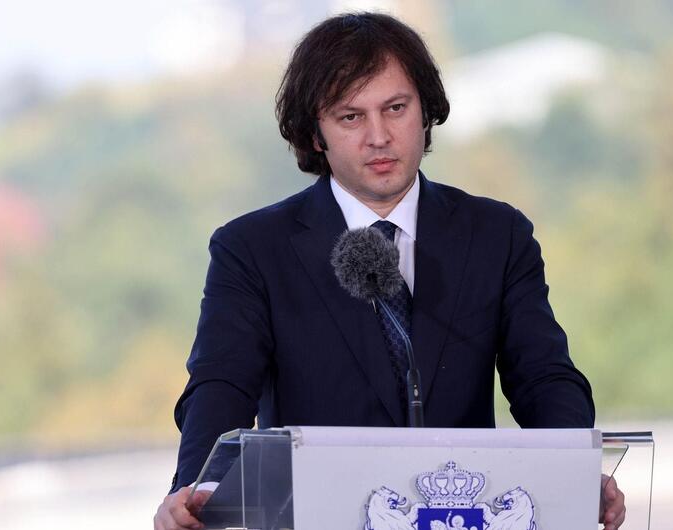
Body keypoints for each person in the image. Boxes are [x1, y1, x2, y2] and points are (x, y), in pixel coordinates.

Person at [154, 12, 625, 530]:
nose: (379, 137)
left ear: (425, 111)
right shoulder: (253, 249)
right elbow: (221, 385)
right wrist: (198, 489)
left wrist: (575, 471)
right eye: (350, 117)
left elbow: (543, 378)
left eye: (395, 109)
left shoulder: (496, 234)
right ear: (315, 134)